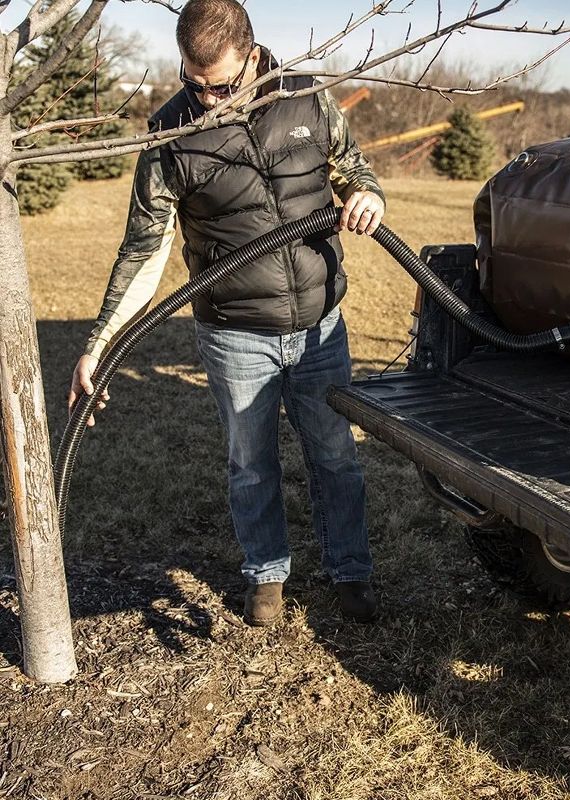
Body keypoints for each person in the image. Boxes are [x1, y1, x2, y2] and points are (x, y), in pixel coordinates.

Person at [68, 0, 385, 626]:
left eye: (219, 84)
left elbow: (351, 166)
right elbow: (144, 249)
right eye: (193, 81)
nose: (206, 99)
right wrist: (98, 343)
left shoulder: (307, 97)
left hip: (321, 324)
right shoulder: (170, 137)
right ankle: (266, 575)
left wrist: (367, 193)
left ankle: (350, 571)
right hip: (235, 332)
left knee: (337, 456)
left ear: (252, 53)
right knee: (251, 463)